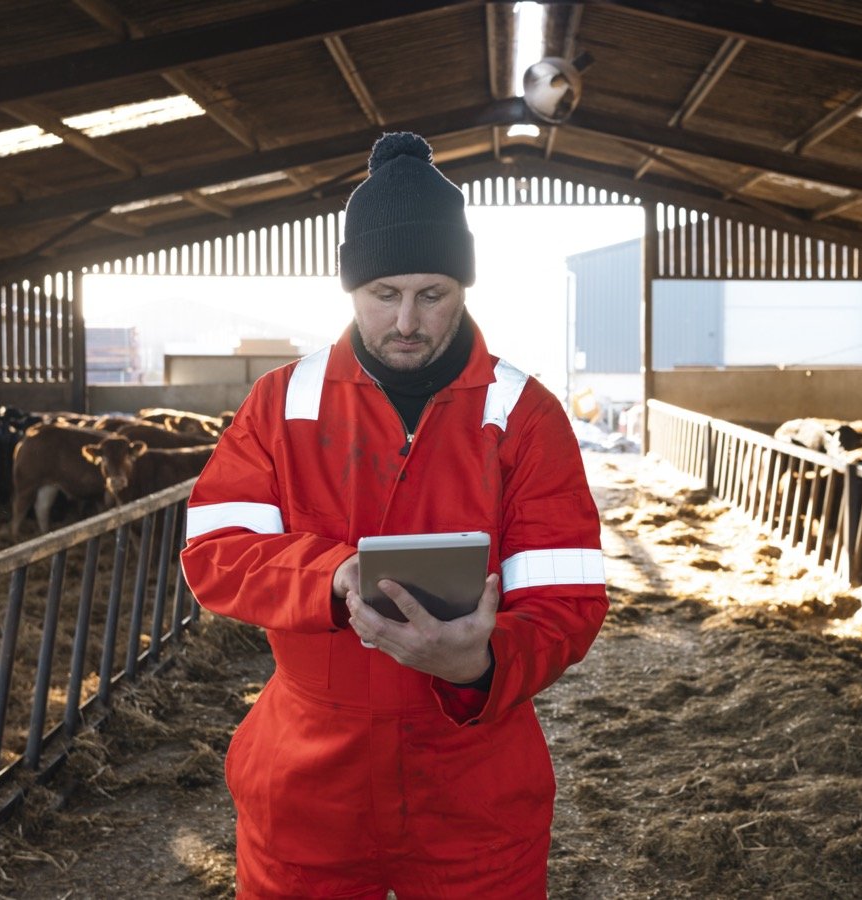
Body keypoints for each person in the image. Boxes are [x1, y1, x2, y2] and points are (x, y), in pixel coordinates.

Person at [180, 131, 608, 898]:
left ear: (465, 289)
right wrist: (332, 574)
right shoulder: (283, 403)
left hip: (474, 780)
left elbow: (567, 599)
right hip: (310, 778)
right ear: (350, 289)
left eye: (432, 293)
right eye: (384, 294)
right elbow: (216, 550)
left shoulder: (526, 416)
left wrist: (480, 665)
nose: (407, 320)